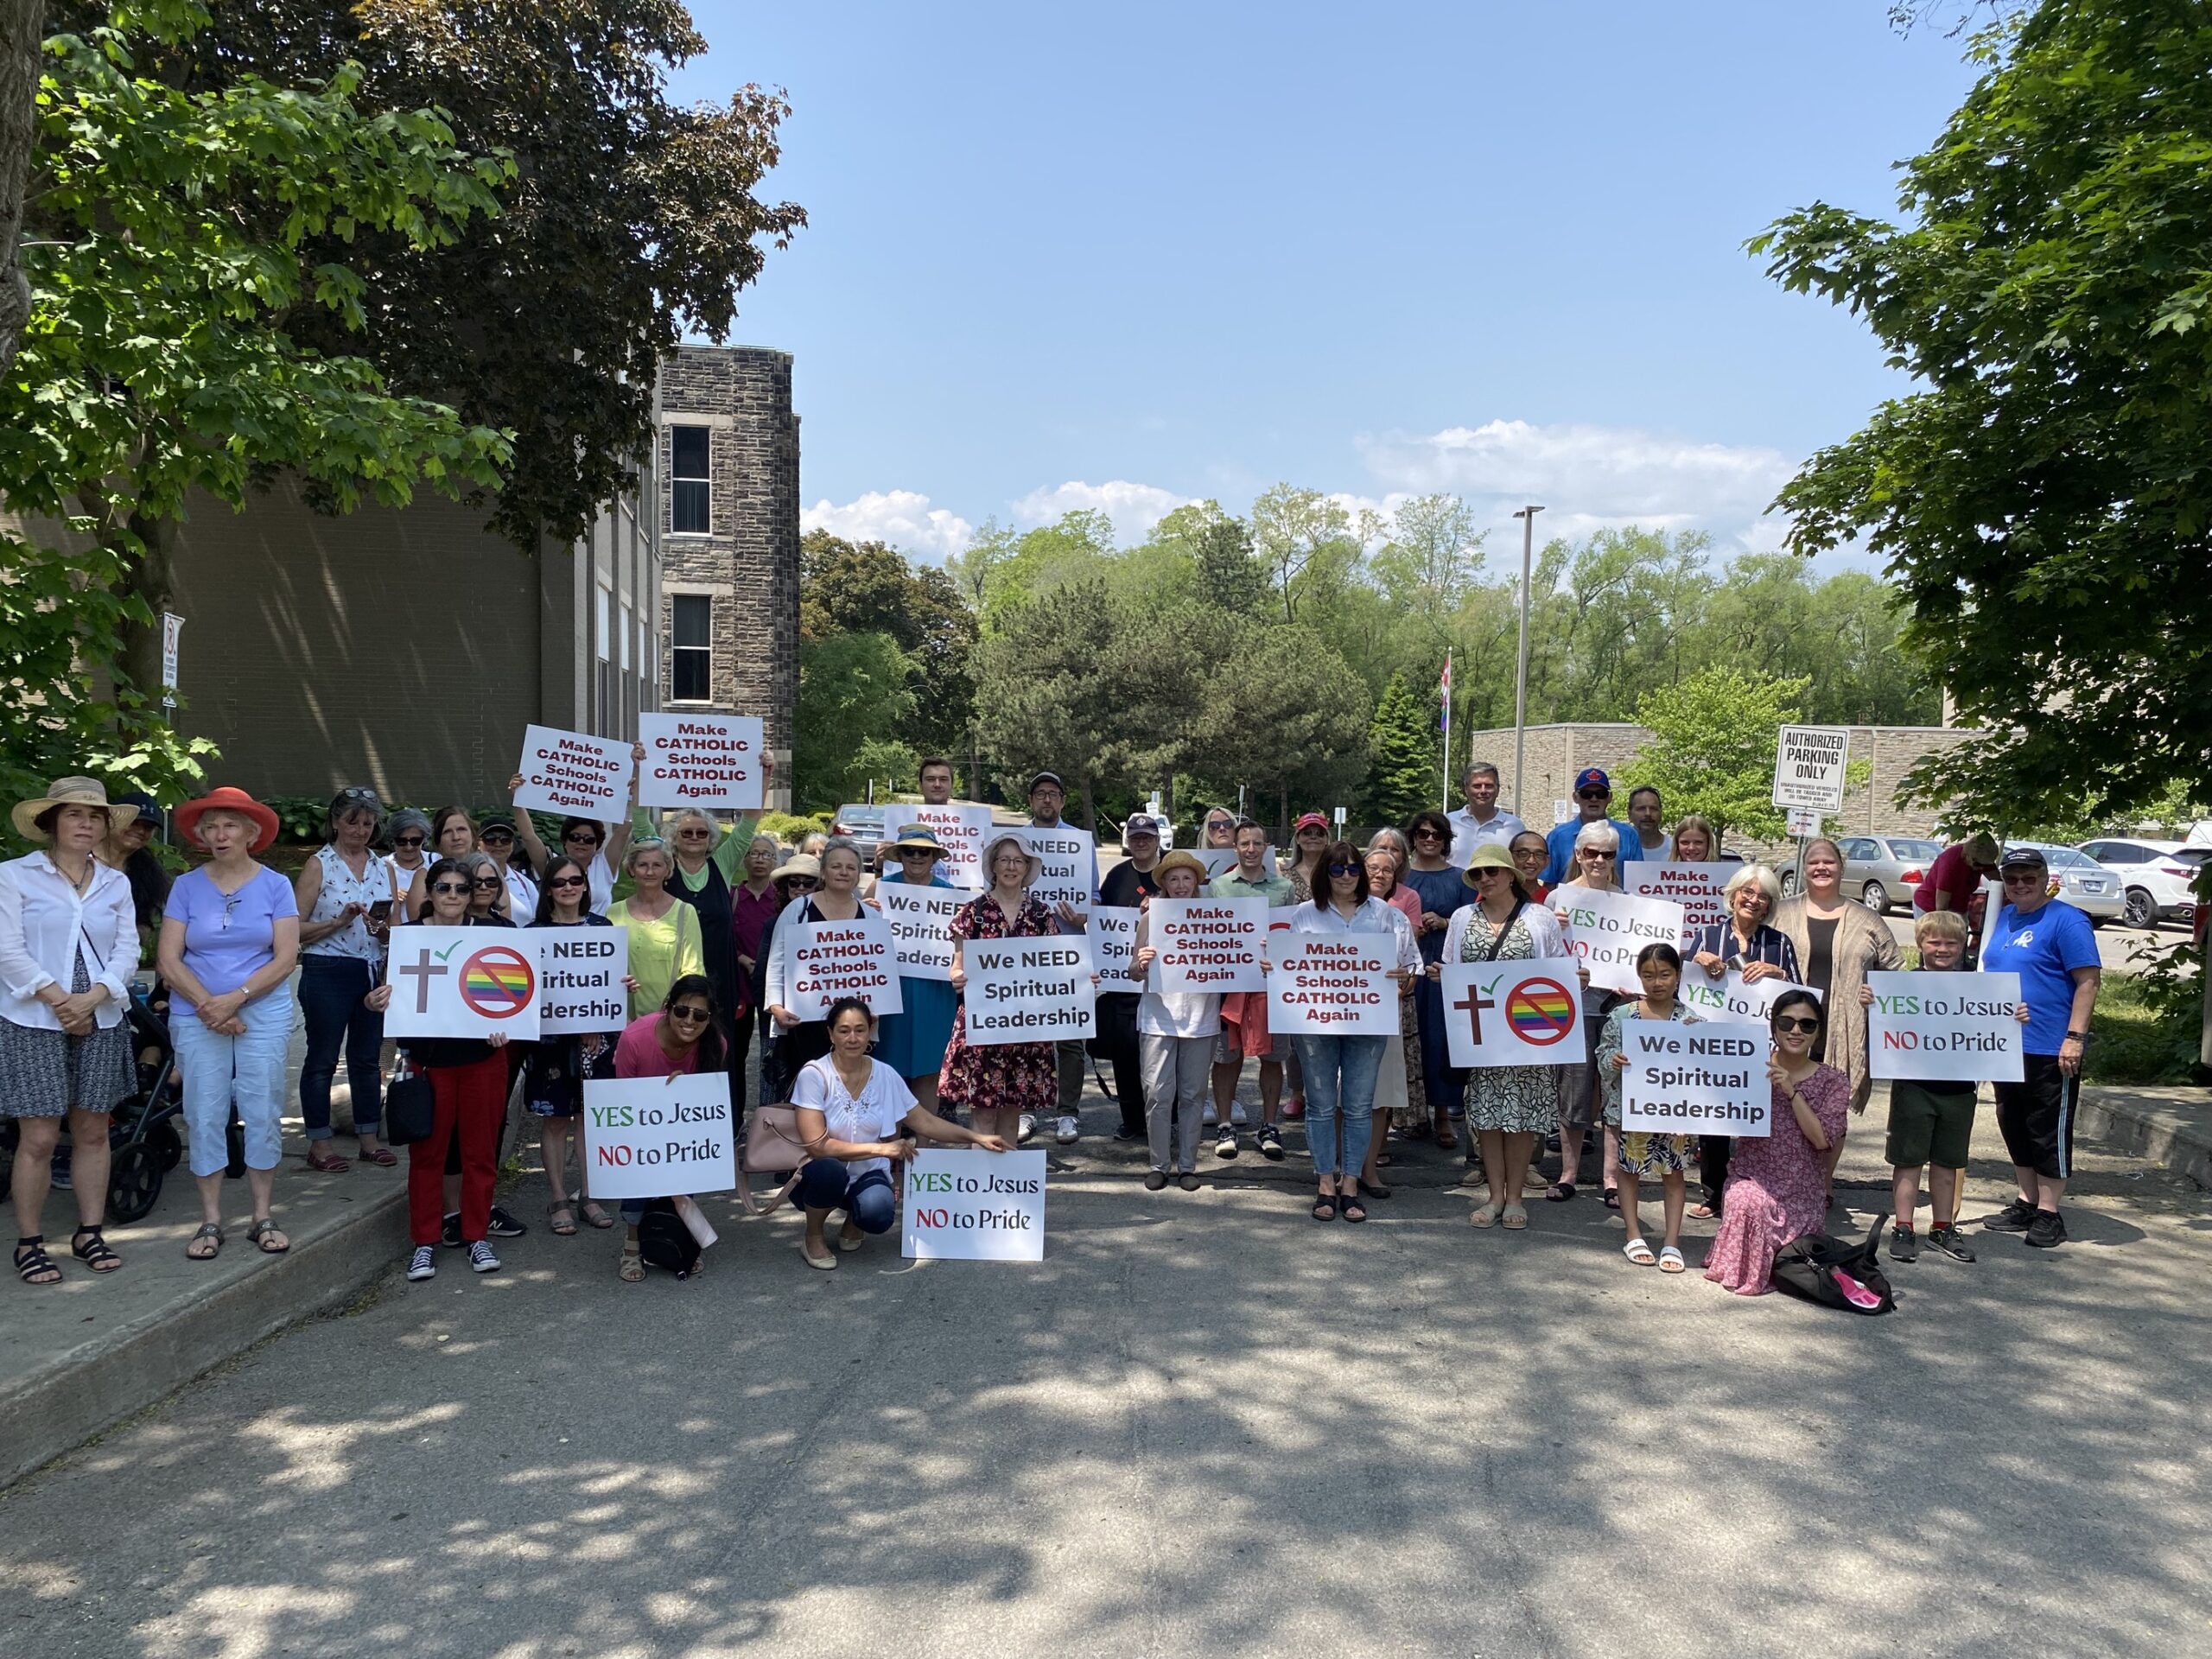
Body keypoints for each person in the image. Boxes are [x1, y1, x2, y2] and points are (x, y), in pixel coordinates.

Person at [1, 778, 139, 1284]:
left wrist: (94, 996)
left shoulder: (115, 883)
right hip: (33, 1017)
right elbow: (7, 948)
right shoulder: (14, 877)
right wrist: (60, 999)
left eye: (95, 816)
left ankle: (89, 1230)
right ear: (50, 822)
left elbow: (127, 949)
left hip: (99, 1013)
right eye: (74, 814)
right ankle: (31, 1241)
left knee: (92, 1129)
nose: (86, 824)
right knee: (37, 1136)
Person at [158, 787, 300, 1262]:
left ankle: (262, 1215)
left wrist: (235, 1000)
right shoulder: (186, 885)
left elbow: (286, 957)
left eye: (230, 825)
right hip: (198, 1012)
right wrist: (209, 1006)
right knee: (203, 1111)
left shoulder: (276, 885)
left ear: (251, 833)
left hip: (260, 1009)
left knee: (263, 1106)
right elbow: (168, 959)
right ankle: (211, 1219)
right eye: (211, 827)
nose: (220, 835)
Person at [792, 997, 1011, 1268]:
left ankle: (854, 1219)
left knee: (879, 1213)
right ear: (830, 1033)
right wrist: (882, 1149)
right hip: (822, 1171)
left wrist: (976, 1137)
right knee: (830, 1173)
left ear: (870, 1031)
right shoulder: (814, 1074)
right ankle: (813, 1235)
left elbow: (925, 1122)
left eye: (860, 1030)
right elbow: (817, 1146)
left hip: (868, 1172)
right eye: (844, 1030)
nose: (852, 1038)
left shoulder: (884, 1074)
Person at [1861, 909, 2025, 1264]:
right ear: (1920, 944)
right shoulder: (1901, 987)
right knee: (1907, 1161)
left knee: (1947, 1162)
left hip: (1959, 1090)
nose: (1942, 948)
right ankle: (1903, 1225)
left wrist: (2013, 1016)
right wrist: (1872, 1004)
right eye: (1933, 941)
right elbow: (1885, 1020)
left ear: (1964, 944)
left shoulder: (1980, 987)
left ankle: (1942, 1226)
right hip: (1913, 1087)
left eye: (1951, 942)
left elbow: (1994, 1023)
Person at [378, 860, 513, 1281]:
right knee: (427, 1156)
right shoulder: (409, 940)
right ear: (429, 894)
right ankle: (424, 1242)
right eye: (444, 888)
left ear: (472, 895)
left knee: (479, 1154)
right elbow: (387, 997)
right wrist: (375, 1002)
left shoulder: (496, 937)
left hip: (483, 1062)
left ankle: (477, 1236)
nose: (452, 896)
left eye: (460, 889)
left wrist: (504, 1026)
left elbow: (515, 998)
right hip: (429, 1065)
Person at [1274, 841, 1419, 1224]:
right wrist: (1275, 966)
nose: (1346, 876)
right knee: (1321, 1106)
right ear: (1325, 874)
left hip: (1367, 1022)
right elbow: (1289, 966)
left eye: (1353, 869)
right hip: (1314, 1023)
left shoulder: (1385, 914)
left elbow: (1412, 965)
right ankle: (1325, 1182)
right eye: (1336, 870)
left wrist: (1403, 978)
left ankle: (1351, 1183)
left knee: (1358, 1106)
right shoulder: (1305, 915)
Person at [1976, 845, 2101, 1249]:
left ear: (2045, 877)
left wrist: (2075, 1037)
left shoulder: (2068, 921)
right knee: (2013, 1123)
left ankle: (2050, 1211)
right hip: (2005, 1044)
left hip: (2051, 1045)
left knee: (2048, 1129)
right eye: (2012, 879)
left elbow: (2088, 981)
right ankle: (2027, 1200)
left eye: (2029, 877)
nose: (2020, 885)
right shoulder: (2005, 917)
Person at [1445, 842, 1573, 1231]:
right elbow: (1452, 967)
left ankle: (1516, 1196)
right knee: (1486, 1117)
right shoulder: (1462, 917)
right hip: (1482, 1034)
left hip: (1528, 1033)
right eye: (1478, 874)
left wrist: (1573, 977)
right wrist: (1442, 976)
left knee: (1521, 1118)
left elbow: (1557, 967)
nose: (1486, 879)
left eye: (1493, 872)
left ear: (1511, 876)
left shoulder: (1541, 917)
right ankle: (1494, 1195)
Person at [939, 833, 1087, 1145]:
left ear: (1027, 868)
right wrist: (957, 976)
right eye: (1004, 859)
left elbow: (1057, 968)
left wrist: (1082, 981)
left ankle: (1004, 1184)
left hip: (1025, 1029)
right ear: (993, 866)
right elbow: (957, 963)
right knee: (982, 1110)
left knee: (1012, 1109)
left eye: (1018, 861)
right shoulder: (973, 913)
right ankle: (981, 1180)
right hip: (983, 1026)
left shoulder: (1041, 914)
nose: (1011, 866)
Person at [1703, 991, 1851, 1296]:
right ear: (1774, 1027)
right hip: (1752, 1174)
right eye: (1787, 1022)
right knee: (1747, 1203)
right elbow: (1697, 1086)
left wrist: (1790, 1090)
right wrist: (1689, 1035)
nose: (1796, 1031)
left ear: (1818, 1032)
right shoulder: (1747, 1063)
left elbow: (1822, 1139)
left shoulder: (1834, 1082)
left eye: (1807, 1025)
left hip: (1801, 1186)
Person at [1686, 862, 1800, 1218]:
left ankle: (1755, 1194)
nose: (1753, 901)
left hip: (1762, 1046)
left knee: (1757, 1121)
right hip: (1715, 1043)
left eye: (1763, 897)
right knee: (1715, 1122)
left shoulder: (1779, 943)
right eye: (1747, 893)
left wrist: (1777, 972)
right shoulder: (1707, 936)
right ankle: (1714, 1196)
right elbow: (1683, 985)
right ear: (1732, 896)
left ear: (1769, 906)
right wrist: (1695, 959)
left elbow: (1800, 991)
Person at [292, 788, 397, 1173]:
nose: (360, 830)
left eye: (368, 823)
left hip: (371, 968)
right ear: (336, 821)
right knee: (322, 1058)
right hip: (327, 967)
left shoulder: (381, 867)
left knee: (367, 1059)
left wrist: (383, 929)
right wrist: (340, 921)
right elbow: (293, 929)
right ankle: (320, 1142)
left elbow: (395, 927)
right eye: (352, 821)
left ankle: (368, 1139)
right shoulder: (319, 865)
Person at [1777, 837, 1904, 1124]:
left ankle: (1823, 1172)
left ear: (1841, 867)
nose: (1821, 867)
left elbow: (1895, 971)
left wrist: (1878, 995)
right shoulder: (1780, 913)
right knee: (1783, 1112)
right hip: (1789, 1030)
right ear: (1804, 868)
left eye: (1829, 861)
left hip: (1842, 1031)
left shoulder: (1867, 919)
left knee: (1831, 1116)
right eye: (1813, 862)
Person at [610, 975, 728, 1282]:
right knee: (639, 1176)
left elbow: (707, 1108)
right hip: (637, 1123)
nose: (690, 1021)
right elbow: (621, 1101)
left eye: (700, 1015)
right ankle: (632, 1244)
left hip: (682, 1128)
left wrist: (686, 1091)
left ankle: (681, 1235)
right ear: (668, 1008)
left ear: (710, 1018)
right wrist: (661, 1098)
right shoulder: (633, 1039)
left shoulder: (717, 1045)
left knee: (686, 1162)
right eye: (682, 1011)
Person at [524, 857, 618, 1236]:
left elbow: (607, 980)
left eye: (575, 880)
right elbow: (525, 991)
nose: (568, 888)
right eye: (559, 882)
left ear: (584, 886)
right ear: (548, 889)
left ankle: (590, 1195)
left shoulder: (603, 928)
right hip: (549, 1042)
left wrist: (617, 989)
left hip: (596, 1040)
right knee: (556, 1118)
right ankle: (559, 1197)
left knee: (590, 1119)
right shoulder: (532, 934)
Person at [1596, 943, 1700, 1274]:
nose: (1657, 982)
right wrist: (1613, 1060)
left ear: (1678, 976)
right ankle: (1633, 1234)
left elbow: (1705, 1067)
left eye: (1665, 974)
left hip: (1676, 1114)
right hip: (1635, 1110)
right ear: (1639, 977)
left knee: (1674, 1173)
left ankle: (1672, 1240)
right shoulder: (1623, 1016)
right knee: (1629, 1170)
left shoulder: (1691, 1021)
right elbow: (1602, 1057)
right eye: (1649, 975)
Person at [1128, 851, 1220, 1191]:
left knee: (1194, 1095)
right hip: (1157, 1019)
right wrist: (1141, 963)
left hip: (1201, 1018)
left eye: (1186, 878)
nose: (1180, 885)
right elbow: (1132, 972)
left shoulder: (1215, 918)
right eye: (1173, 879)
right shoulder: (1150, 918)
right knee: (1157, 1094)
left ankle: (1188, 1166)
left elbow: (1234, 959)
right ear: (1163, 883)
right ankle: (1158, 1163)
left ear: (1196, 882)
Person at [660, 805, 762, 1103]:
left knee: (719, 1049)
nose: (694, 837)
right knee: (675, 1044)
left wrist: (765, 773)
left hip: (720, 978)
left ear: (711, 838)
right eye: (686, 832)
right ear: (673, 837)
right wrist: (641, 774)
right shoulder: (663, 866)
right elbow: (641, 827)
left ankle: (720, 1123)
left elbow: (749, 823)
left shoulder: (722, 864)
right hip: (675, 976)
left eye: (701, 832)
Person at [1549, 820, 1628, 1206]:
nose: (1598, 859)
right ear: (1578, 854)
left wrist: (1632, 980)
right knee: (1574, 1090)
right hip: (1572, 1007)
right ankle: (1568, 1173)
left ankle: (1611, 1178)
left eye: (1607, 854)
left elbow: (1635, 959)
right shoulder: (1556, 901)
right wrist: (1554, 927)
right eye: (1591, 852)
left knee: (1613, 1090)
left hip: (1614, 1007)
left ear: (1615, 857)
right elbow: (1542, 959)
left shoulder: (1626, 901)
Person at [1206, 819, 1294, 1161]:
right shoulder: (1219, 886)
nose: (1251, 850)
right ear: (1236, 848)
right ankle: (1225, 1124)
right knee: (1228, 1056)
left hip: (1271, 985)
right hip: (1232, 984)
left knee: (1273, 1057)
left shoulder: (1284, 887)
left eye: (1258, 844)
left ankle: (1269, 1126)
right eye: (1245, 844)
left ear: (1266, 847)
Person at [1026, 770, 1097, 1146]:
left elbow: (1095, 897)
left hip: (1069, 951)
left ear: (1063, 800)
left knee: (1070, 1040)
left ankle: (1067, 1112)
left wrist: (1085, 914)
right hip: (1021, 954)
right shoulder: (1016, 841)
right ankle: (1025, 1108)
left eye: (1053, 793)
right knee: (1025, 1035)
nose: (1047, 800)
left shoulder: (1078, 842)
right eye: (1040, 794)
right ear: (1032, 800)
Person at [762, 836, 871, 1081]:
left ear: (859, 874)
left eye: (851, 867)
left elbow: (877, 972)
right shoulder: (798, 910)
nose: (843, 872)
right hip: (803, 1023)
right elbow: (777, 961)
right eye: (836, 866)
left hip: (852, 1027)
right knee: (805, 1089)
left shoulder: (871, 917)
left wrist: (877, 1009)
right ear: (823, 872)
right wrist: (776, 1006)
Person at [870, 827, 960, 1114]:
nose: (917, 857)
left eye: (924, 851)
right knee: (889, 1071)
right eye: (910, 851)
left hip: (936, 993)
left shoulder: (954, 897)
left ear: (934, 857)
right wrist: (864, 910)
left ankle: (924, 1148)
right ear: (900, 855)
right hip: (891, 993)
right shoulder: (880, 889)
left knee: (929, 1071)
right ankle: (891, 1146)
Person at [1096, 812, 1166, 1141]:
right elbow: (1102, 922)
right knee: (1125, 1055)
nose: (1141, 842)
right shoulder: (1116, 877)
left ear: (1157, 840)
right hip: (1123, 982)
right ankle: (1131, 1120)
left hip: (1167, 983)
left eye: (1147, 837)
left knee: (1163, 1060)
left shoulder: (1170, 874)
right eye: (1135, 837)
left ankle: (1165, 1119)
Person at [510, 747, 645, 914]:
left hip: (599, 935)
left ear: (597, 844)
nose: (581, 842)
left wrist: (635, 774)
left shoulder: (603, 866)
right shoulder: (552, 865)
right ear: (565, 842)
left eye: (589, 839)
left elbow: (624, 830)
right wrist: (518, 798)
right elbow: (529, 837)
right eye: (575, 837)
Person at [1402, 808, 1468, 1150]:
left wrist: (1445, 921)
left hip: (1443, 966)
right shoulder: (1401, 877)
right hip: (1407, 970)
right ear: (1413, 838)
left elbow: (1473, 920)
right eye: (1423, 833)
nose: (1430, 839)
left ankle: (1443, 1114)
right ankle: (1411, 1115)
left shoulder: (1460, 878)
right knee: (1408, 1042)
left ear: (1446, 840)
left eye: (1437, 835)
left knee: (1440, 1041)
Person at [1366, 841, 1426, 1153]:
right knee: (1340, 1098)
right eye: (1373, 868)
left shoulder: (1398, 919)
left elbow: (1414, 967)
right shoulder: (1334, 915)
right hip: (1343, 1020)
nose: (1380, 874)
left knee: (1380, 1096)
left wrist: (1407, 982)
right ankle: (1339, 1165)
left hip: (1386, 1015)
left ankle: (1370, 1166)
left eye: (1387, 870)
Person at [607, 837, 705, 1020]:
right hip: (624, 1020)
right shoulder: (613, 913)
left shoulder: (685, 912)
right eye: (643, 865)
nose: (650, 872)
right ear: (631, 869)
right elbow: (604, 971)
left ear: (668, 869)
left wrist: (678, 1013)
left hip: (671, 1019)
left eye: (657, 865)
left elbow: (694, 971)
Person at [751, 852, 821, 1103]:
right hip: (782, 1017)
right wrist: (774, 1009)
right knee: (775, 1077)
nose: (801, 888)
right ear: (784, 886)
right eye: (794, 882)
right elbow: (763, 972)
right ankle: (770, 1135)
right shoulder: (774, 922)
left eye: (808, 883)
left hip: (820, 1022)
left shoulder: (836, 922)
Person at [730, 832, 783, 1110]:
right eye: (754, 853)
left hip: (770, 988)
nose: (760, 859)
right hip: (739, 985)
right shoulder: (734, 896)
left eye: (766, 854)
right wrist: (742, 959)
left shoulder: (781, 898)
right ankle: (735, 1118)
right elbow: (724, 937)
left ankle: (769, 1114)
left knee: (770, 1053)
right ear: (745, 859)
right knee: (736, 1056)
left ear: (775, 860)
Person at [1541, 768, 1647, 885]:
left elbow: (1638, 883)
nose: (1594, 799)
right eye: (1587, 794)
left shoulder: (1628, 835)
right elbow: (1549, 883)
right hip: (1569, 902)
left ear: (1609, 797)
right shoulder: (1558, 837)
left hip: (1618, 901)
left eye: (1601, 794)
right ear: (1575, 797)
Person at [1912, 830, 2002, 964]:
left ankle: (1957, 971)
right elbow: (1941, 906)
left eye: (1985, 866)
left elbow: (1998, 881)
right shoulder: (1951, 862)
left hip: (1959, 906)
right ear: (1969, 856)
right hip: (1930, 905)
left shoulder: (1982, 858)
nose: (1981, 869)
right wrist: (1942, 926)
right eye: (1978, 865)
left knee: (1957, 943)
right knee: (1936, 940)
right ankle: (1928, 971)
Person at [96, 791, 170, 946]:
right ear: (111, 820)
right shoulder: (79, 860)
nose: (140, 831)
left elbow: (143, 926)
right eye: (133, 822)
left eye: (148, 827)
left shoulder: (148, 873)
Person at [402, 805, 478, 919]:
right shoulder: (424, 877)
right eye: (447, 832)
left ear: (472, 835)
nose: (456, 837)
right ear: (438, 842)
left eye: (461, 829)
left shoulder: (489, 874)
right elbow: (417, 925)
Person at [1446, 761, 1527, 865]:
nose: (1483, 791)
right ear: (1466, 790)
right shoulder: (1449, 822)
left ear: (1497, 790)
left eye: (1489, 786)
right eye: (1477, 786)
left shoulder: (1515, 827)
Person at [476, 813, 538, 924]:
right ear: (478, 844)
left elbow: (538, 921)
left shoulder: (525, 884)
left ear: (512, 845)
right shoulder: (469, 879)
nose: (498, 844)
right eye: (490, 839)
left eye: (505, 839)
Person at [382, 808, 434, 911]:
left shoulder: (435, 861)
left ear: (424, 840)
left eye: (415, 841)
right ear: (392, 840)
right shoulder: (381, 866)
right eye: (401, 841)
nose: (408, 847)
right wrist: (389, 895)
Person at [1283, 811, 1332, 902]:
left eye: (1320, 833)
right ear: (1297, 838)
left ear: (1326, 839)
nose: (1313, 837)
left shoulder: (1336, 873)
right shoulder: (1283, 875)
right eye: (1307, 833)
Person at [1625, 786, 1671, 861]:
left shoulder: (1675, 850)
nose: (1648, 814)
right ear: (1629, 814)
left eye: (1653, 809)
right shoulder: (1617, 850)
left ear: (1661, 813)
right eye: (1641, 809)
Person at [1509, 830, 1554, 903]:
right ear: (1510, 857)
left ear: (1546, 861)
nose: (1531, 861)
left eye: (1539, 855)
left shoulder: (1549, 901)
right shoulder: (1496, 895)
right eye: (1523, 854)